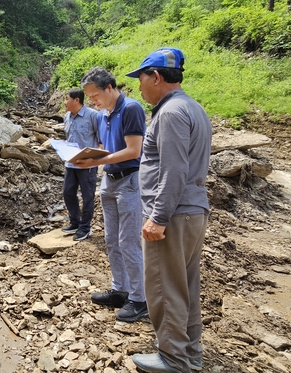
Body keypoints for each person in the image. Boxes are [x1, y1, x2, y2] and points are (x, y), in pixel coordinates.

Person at [126, 48, 212, 373]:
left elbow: (173, 171)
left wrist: (157, 217)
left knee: (164, 287)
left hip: (173, 215)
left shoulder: (171, 113)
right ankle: (190, 354)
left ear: (157, 77)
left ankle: (173, 359)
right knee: (184, 286)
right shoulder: (192, 108)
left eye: (142, 79)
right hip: (190, 210)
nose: (139, 87)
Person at [75, 67, 148, 323]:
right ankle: (120, 290)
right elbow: (106, 149)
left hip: (129, 180)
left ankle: (140, 300)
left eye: (94, 95)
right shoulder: (104, 115)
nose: (92, 101)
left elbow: (133, 150)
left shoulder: (130, 109)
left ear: (109, 88)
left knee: (128, 242)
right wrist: (89, 156)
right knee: (111, 240)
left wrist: (97, 161)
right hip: (109, 180)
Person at [61, 88, 101, 241]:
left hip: (87, 164)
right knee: (68, 192)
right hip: (71, 163)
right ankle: (75, 221)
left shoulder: (93, 116)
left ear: (76, 100)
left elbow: (100, 139)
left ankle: (85, 228)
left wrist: (96, 159)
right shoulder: (67, 117)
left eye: (66, 99)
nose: (65, 102)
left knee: (88, 195)